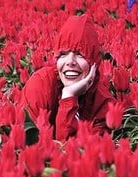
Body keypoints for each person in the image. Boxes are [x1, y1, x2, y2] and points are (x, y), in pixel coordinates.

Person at [20, 14, 116, 142]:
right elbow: (27, 141)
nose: (70, 62)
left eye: (80, 55)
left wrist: (68, 96)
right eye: (63, 54)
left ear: (94, 63)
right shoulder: (40, 84)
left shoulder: (104, 105)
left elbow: (73, 152)